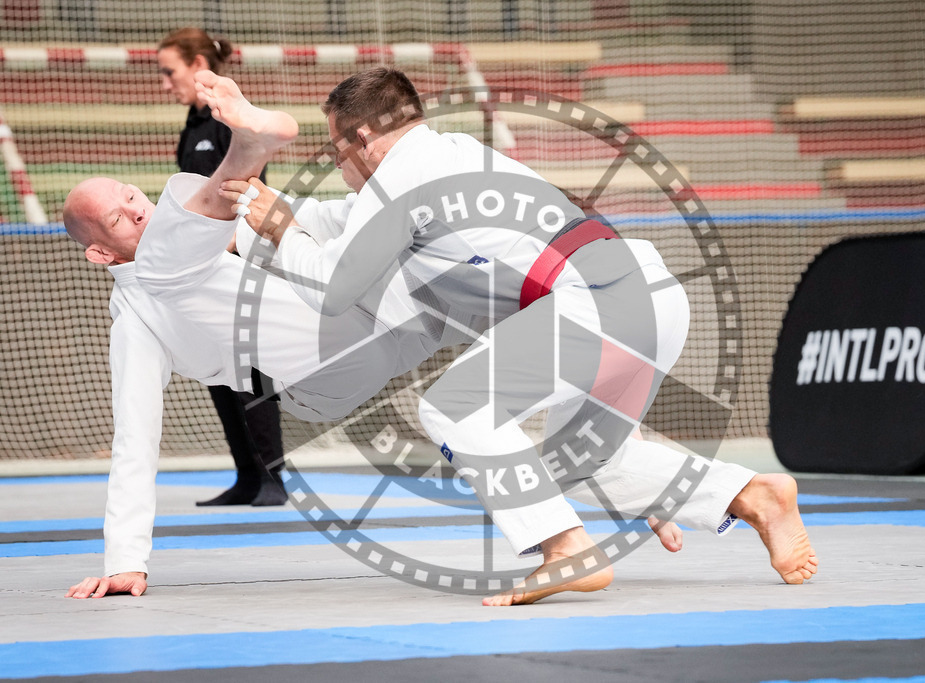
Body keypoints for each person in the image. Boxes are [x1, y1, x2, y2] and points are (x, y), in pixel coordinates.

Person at [231, 66, 819, 606]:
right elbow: (336, 221)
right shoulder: (452, 155)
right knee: (585, 462)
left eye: (336, 149)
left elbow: (335, 287)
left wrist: (280, 231)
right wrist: (255, 212)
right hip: (645, 298)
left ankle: (565, 548)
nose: (337, 165)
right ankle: (753, 495)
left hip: (602, 301)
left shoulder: (403, 178)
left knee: (456, 407)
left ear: (363, 139)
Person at [63, 72, 436, 599]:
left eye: (131, 195)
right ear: (101, 253)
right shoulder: (136, 316)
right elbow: (134, 437)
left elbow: (319, 221)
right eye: (117, 218)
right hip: (320, 370)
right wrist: (126, 559)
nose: (136, 208)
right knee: (163, 266)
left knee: (351, 226)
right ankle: (249, 148)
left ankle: (253, 149)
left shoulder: (202, 240)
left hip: (390, 322)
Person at [157, 27, 286, 507]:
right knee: (217, 372)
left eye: (170, 71)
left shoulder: (228, 119)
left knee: (250, 373)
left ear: (197, 65)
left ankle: (273, 479)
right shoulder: (192, 124)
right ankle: (247, 476)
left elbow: (247, 191)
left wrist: (227, 244)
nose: (165, 83)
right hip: (203, 264)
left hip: (238, 260)